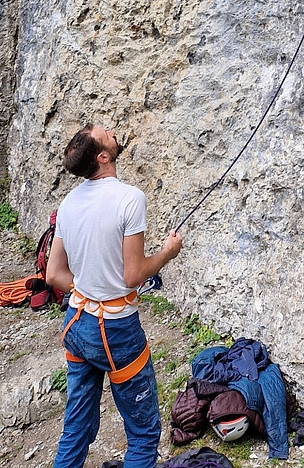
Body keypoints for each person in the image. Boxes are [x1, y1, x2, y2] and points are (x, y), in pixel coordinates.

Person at [46, 124, 183, 468]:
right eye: (105, 133)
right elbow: (133, 276)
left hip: (77, 323)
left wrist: (91, 288)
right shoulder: (129, 199)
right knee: (143, 434)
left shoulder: (68, 203)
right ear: (104, 157)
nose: (112, 130)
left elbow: (53, 274)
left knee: (76, 425)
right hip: (115, 330)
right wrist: (167, 253)